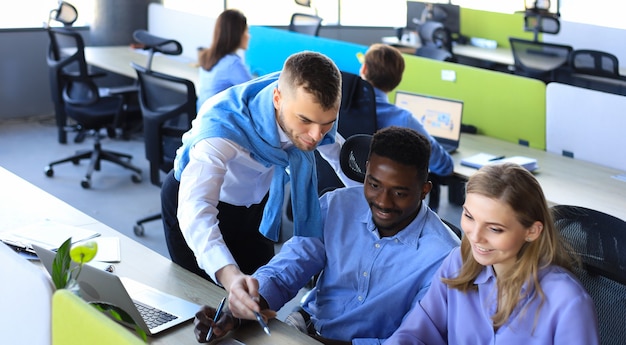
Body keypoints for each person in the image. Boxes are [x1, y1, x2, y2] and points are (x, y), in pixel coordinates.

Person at [193, 127, 461, 344]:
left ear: (425, 189)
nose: (382, 201)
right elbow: (287, 269)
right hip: (308, 327)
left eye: (399, 192)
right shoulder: (336, 205)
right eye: (373, 184)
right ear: (366, 172)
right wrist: (237, 309)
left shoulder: (444, 257)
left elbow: (415, 339)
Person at [161, 51, 344, 292]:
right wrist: (229, 276)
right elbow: (196, 208)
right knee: (203, 298)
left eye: (327, 123)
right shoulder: (223, 127)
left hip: (256, 205)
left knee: (260, 294)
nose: (316, 135)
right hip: (196, 203)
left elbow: (339, 155)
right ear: (277, 99)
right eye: (305, 121)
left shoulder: (311, 111)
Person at [383, 163, 600, 345]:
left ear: (532, 231)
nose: (475, 236)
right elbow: (415, 333)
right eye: (469, 216)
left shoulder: (567, 301)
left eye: (494, 229)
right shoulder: (458, 262)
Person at [359, 43, 455, 212]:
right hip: (386, 204)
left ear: (364, 69)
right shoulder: (403, 120)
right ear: (398, 80)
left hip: (343, 189)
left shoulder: (340, 108)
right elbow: (443, 165)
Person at [196, 9, 252, 111]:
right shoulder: (232, 64)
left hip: (203, 118)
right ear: (237, 34)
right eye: (246, 31)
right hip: (218, 123)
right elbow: (255, 93)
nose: (249, 36)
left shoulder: (206, 55)